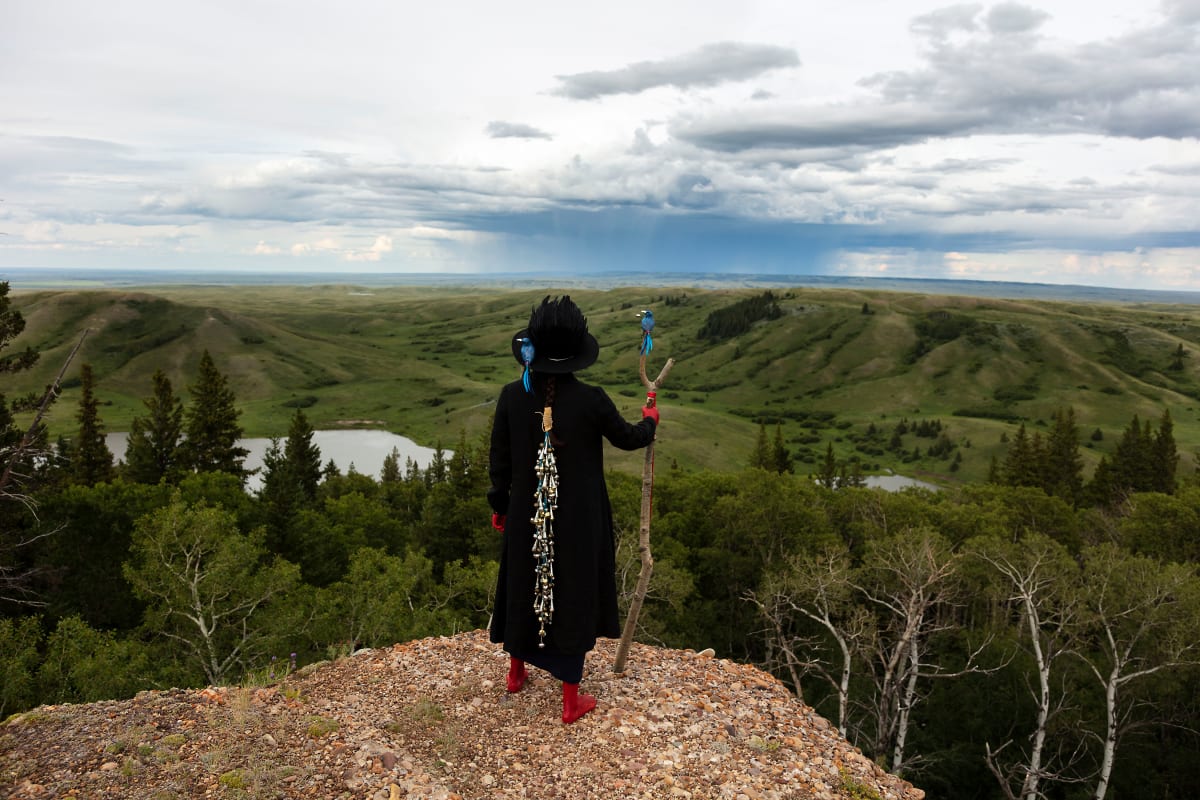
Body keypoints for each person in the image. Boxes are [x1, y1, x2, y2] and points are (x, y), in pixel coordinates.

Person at [488, 295, 659, 723]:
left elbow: (500, 461)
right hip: (580, 517)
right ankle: (569, 700)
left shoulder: (512, 396)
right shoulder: (592, 400)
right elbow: (628, 438)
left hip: (526, 511)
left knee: (524, 579)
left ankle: (515, 673)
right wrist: (651, 420)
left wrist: (499, 505)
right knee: (572, 589)